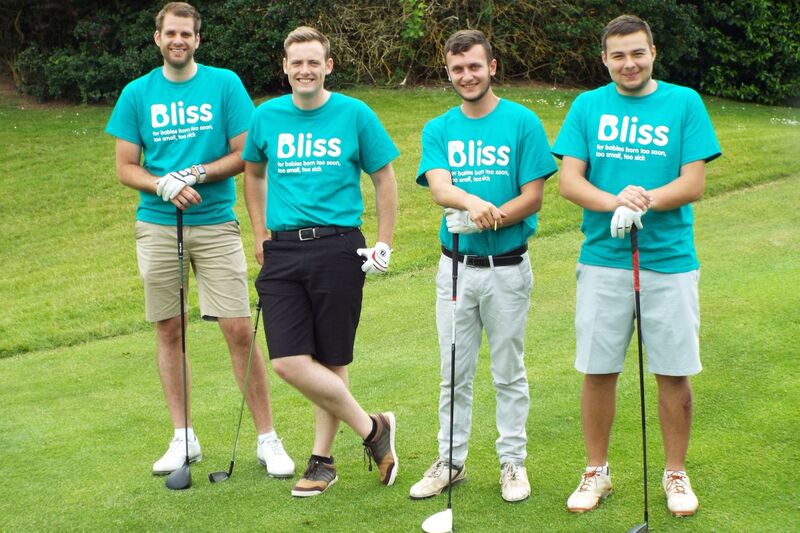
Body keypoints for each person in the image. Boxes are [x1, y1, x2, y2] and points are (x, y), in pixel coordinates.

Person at [105, 1, 294, 479]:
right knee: (169, 328)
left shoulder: (224, 84)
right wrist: (161, 184)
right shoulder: (137, 93)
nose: (178, 40)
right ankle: (183, 436)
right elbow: (125, 166)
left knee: (237, 328)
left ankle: (267, 438)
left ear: (197, 40)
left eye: (186, 34)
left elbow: (245, 154)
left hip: (214, 223)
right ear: (158, 38)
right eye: (170, 33)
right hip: (157, 224)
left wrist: (194, 173)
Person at [552, 14, 721, 517]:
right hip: (603, 258)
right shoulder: (587, 106)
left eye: (638, 53)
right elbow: (570, 182)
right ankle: (596, 471)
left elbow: (692, 182)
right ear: (605, 59)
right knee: (598, 369)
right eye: (619, 55)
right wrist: (614, 203)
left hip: (670, 260)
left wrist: (642, 201)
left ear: (653, 52)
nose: (629, 63)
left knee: (673, 371)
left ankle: (675, 473)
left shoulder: (684, 103)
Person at [242, 26, 399, 498]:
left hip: (338, 246)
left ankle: (322, 461)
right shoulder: (266, 116)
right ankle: (372, 428)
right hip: (283, 249)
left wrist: (384, 243)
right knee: (288, 362)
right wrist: (259, 233)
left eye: (314, 62)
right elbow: (253, 174)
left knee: (331, 358)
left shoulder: (355, 113)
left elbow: (384, 178)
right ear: (285, 67)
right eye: (297, 62)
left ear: (328, 66)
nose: (305, 70)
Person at [412, 29, 557, 503]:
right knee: (453, 371)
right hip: (455, 269)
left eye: (475, 66)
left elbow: (533, 197)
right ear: (448, 72)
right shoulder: (439, 128)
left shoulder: (522, 122)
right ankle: (450, 461)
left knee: (508, 371)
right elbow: (439, 188)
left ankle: (512, 461)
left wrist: (486, 217)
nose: (467, 75)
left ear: (491, 67)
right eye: (457, 69)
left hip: (507, 267)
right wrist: (472, 202)